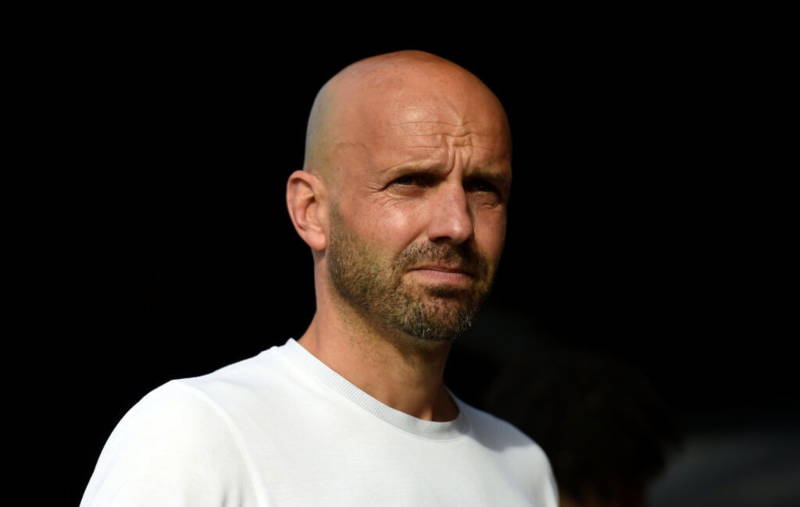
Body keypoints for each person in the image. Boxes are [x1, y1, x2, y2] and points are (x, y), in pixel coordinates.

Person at [80, 49, 559, 506]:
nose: (456, 224)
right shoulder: (200, 432)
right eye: (411, 182)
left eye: (483, 188)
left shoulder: (522, 468)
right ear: (311, 211)